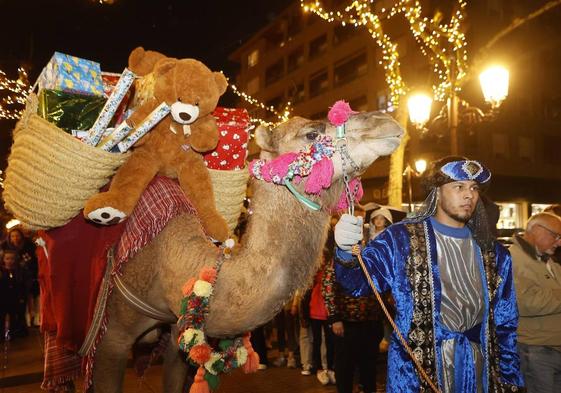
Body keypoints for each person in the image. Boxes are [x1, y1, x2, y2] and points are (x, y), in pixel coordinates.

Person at [333, 156, 524, 393]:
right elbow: (356, 284)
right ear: (436, 192)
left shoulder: (494, 253)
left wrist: (511, 379)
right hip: (415, 372)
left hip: (479, 370)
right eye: (459, 186)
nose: (469, 195)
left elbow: (505, 323)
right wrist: (345, 251)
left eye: (474, 188)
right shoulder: (400, 239)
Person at [509, 212, 561, 393]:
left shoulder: (546, 260)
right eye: (556, 236)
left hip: (551, 348)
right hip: (537, 350)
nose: (559, 242)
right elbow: (527, 302)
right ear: (537, 230)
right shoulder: (513, 259)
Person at [323, 238, 383, 393]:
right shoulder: (337, 260)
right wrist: (334, 318)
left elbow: (381, 285)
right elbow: (328, 288)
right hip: (345, 324)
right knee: (344, 367)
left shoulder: (370, 259)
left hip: (370, 323)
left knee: (368, 366)